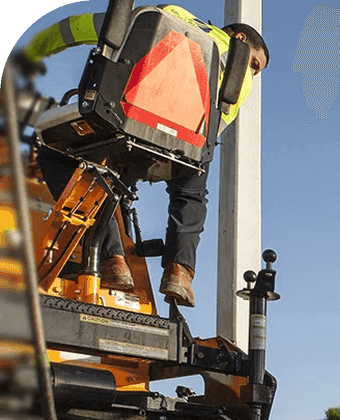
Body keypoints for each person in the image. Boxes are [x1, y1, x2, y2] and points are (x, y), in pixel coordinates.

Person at [14, 6, 269, 306]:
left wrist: (32, 51)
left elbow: (78, 27)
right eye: (254, 63)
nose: (252, 72)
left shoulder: (157, 16)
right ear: (239, 37)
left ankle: (112, 259)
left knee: (55, 152)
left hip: (122, 129)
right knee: (192, 189)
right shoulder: (235, 66)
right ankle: (180, 271)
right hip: (180, 151)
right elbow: (212, 131)